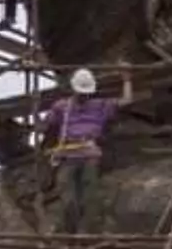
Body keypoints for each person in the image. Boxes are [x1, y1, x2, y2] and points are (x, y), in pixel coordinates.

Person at [40, 67, 131, 237]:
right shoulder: (62, 107)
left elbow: (126, 101)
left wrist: (127, 80)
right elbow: (46, 125)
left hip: (89, 155)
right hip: (67, 156)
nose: (83, 96)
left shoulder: (99, 106)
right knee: (68, 198)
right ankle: (68, 231)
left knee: (89, 197)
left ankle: (85, 233)